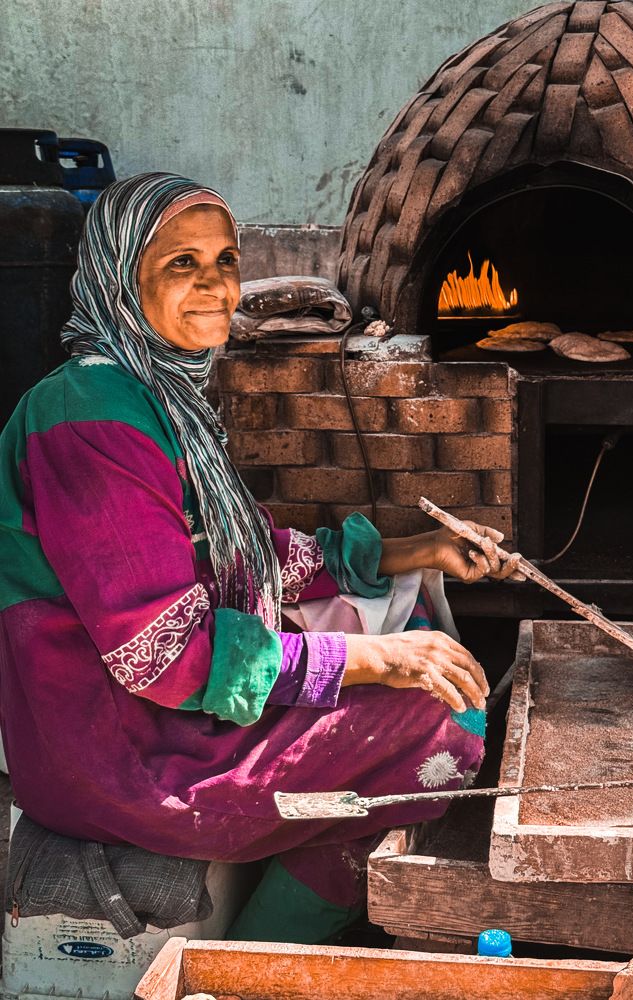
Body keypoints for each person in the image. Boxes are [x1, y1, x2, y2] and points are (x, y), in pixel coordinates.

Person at [0, 173, 517, 944]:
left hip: (158, 720)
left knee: (421, 676)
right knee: (438, 726)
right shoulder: (88, 418)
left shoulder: (159, 393)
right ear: (118, 272)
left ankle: (268, 944)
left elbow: (244, 552)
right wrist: (371, 658)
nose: (214, 285)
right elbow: (165, 655)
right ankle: (251, 969)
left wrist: (417, 550)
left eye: (225, 261)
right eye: (182, 264)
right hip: (124, 753)